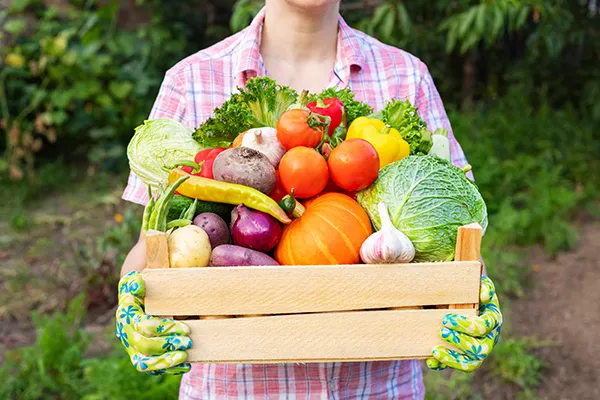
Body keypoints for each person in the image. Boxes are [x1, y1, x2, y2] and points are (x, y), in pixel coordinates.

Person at [116, 1, 503, 398]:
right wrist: (133, 303)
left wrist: (472, 296)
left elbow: (454, 235)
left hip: (379, 389)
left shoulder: (406, 77)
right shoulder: (192, 80)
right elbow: (154, 244)